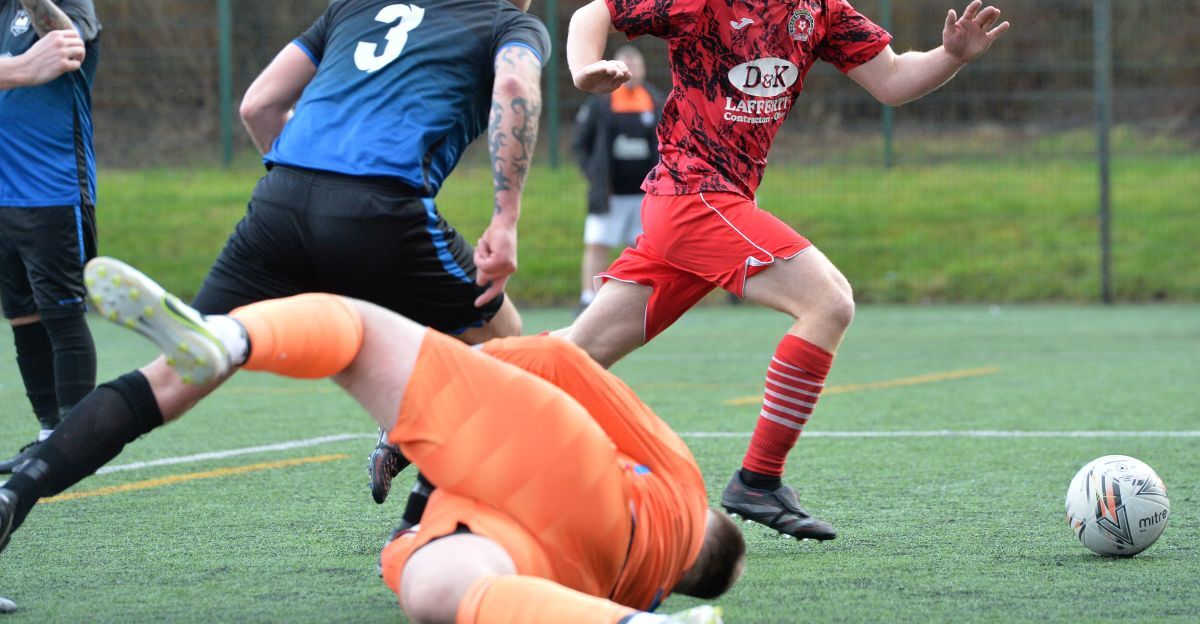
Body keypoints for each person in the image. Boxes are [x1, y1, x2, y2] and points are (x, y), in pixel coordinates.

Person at [0, 0, 549, 537]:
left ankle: (16, 495)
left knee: (184, 370)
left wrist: (309, 200)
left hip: (280, 204)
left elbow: (258, 105)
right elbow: (515, 89)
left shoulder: (360, 4)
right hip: (383, 209)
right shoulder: (511, 24)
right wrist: (505, 218)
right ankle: (421, 515)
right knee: (506, 342)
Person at [558, 0, 1009, 541]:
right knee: (828, 300)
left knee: (576, 355)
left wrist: (951, 57)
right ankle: (758, 480)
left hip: (704, 210)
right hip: (691, 197)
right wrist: (584, 66)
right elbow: (596, 11)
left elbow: (889, 79)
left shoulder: (818, 11)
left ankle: (425, 411)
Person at [8, 255, 746, 624]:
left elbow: (559, 360)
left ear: (711, 519)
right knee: (437, 588)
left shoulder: (681, 483)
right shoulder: (647, 580)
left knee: (353, 330)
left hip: (570, 471)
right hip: (565, 570)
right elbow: (403, 548)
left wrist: (455, 383)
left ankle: (229, 337)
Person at [0, 0, 102, 473]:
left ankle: (78, 446)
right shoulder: (0, 7)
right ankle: (48, 435)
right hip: (4, 194)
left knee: (63, 316)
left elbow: (68, 46)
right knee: (22, 317)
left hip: (54, 190)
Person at [573, 44, 662, 314]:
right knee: (598, 242)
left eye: (636, 65)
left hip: (644, 195)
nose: (631, 71)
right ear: (616, 70)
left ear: (643, 69)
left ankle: (640, 301)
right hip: (609, 195)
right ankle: (588, 298)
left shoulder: (656, 101)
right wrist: (595, 176)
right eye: (626, 66)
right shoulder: (600, 104)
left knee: (642, 248)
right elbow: (580, 144)